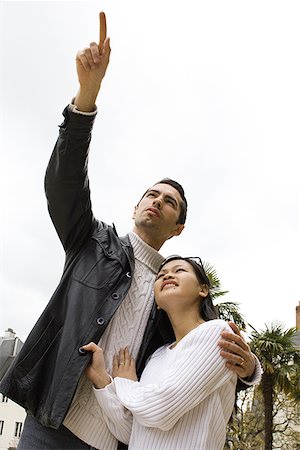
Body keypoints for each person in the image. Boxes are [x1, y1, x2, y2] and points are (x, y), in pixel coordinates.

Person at [0, 12, 260, 450]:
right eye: (151, 194)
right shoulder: (92, 242)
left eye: (170, 202)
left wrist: (250, 368)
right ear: (136, 205)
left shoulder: (173, 291)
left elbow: (198, 356)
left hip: (121, 436)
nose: (157, 200)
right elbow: (64, 184)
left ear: (178, 227)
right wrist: (87, 97)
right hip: (52, 422)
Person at [82, 256, 259, 450]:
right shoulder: (156, 356)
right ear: (157, 302)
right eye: (161, 275)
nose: (168, 276)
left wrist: (125, 382)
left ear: (203, 290)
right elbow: (133, 431)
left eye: (179, 270)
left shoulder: (216, 332)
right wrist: (103, 382)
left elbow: (159, 411)